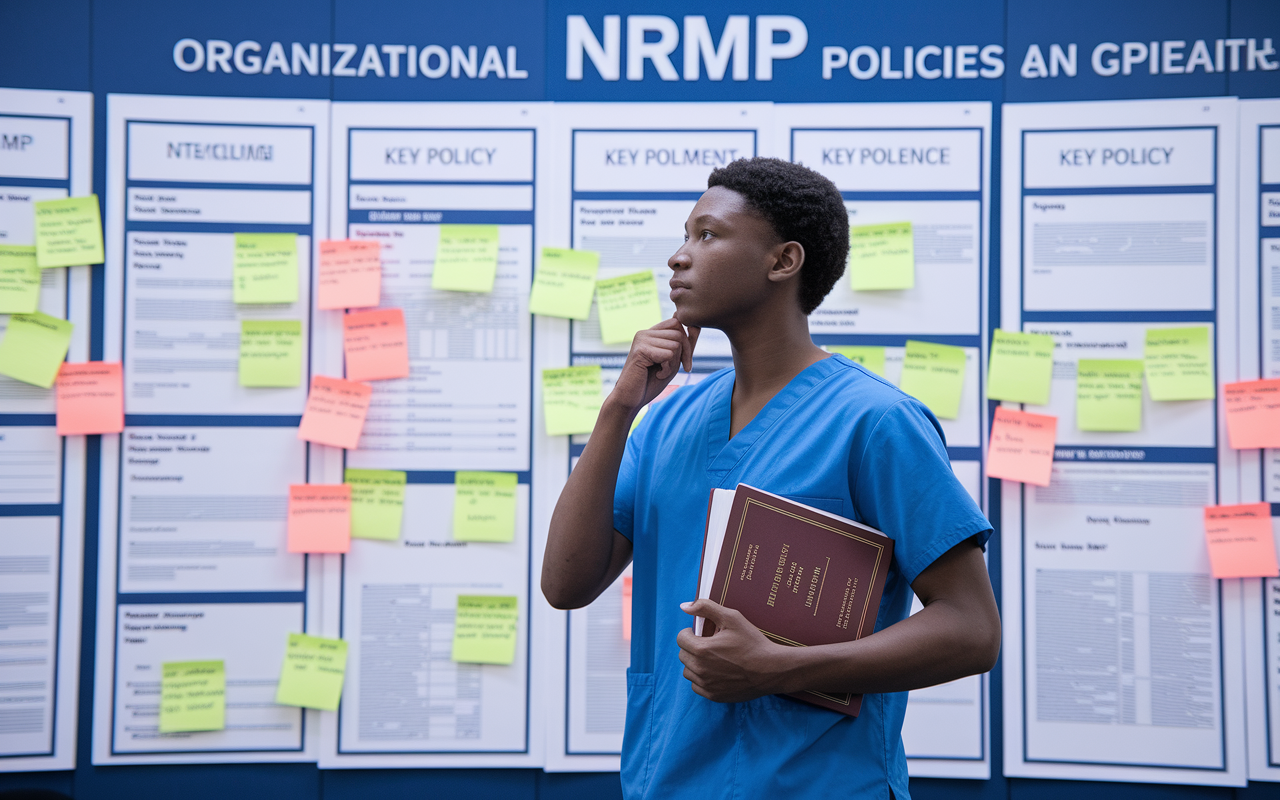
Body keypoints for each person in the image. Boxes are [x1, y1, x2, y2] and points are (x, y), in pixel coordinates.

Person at [542, 157, 1000, 799]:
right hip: (664, 783)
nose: (678, 257)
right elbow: (565, 584)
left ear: (783, 261)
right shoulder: (663, 417)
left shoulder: (876, 422)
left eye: (707, 235)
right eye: (683, 235)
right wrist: (618, 410)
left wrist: (780, 668)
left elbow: (972, 630)